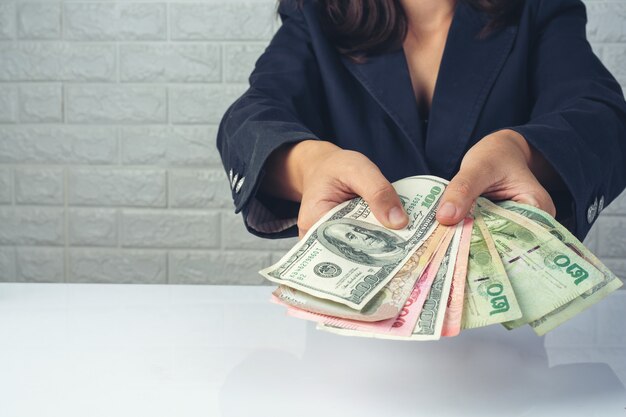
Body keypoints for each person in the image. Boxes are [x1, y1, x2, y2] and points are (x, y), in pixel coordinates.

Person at [216, 0, 626, 243]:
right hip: (350, 334)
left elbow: (603, 117)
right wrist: (310, 165)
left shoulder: (539, 7)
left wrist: (522, 151)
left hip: (504, 334)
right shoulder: (318, 11)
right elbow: (250, 118)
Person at [317, 219, 409, 266]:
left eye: (358, 230)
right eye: (352, 237)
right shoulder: (380, 262)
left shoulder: (402, 243)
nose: (364, 236)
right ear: (352, 248)